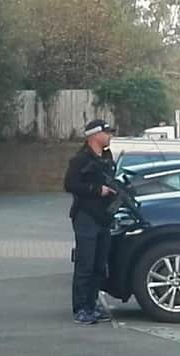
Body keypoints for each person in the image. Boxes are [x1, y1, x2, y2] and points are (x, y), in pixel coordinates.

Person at [64, 119, 117, 325]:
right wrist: (97, 190)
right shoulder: (80, 159)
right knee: (85, 264)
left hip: (103, 217)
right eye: (107, 133)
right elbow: (70, 184)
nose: (110, 136)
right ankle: (81, 309)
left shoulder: (106, 157)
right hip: (86, 217)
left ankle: (92, 304)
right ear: (95, 135)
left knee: (98, 265)